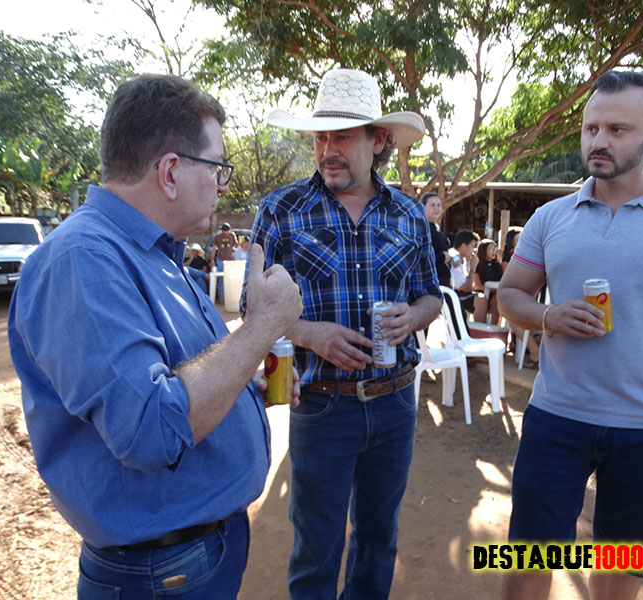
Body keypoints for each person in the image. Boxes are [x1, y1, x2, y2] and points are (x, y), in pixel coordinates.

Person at [8, 74, 303, 600]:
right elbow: (150, 428)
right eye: (217, 167)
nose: (223, 185)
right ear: (169, 172)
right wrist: (263, 325)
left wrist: (242, 384)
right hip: (161, 574)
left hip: (187, 559)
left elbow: (175, 378)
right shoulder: (83, 260)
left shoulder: (152, 253)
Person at [497, 70, 643, 600]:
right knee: (529, 560)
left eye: (618, 129)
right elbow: (509, 295)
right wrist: (548, 316)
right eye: (591, 128)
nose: (598, 141)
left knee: (619, 568)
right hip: (557, 419)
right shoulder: (551, 217)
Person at [248, 67, 442, 599]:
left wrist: (413, 317)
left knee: (379, 539)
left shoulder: (409, 214)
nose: (327, 150)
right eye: (320, 137)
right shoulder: (281, 211)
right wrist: (311, 334)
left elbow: (430, 294)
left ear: (377, 141)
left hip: (395, 402)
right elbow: (252, 308)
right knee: (317, 546)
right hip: (321, 405)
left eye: (342, 138)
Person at [449, 230, 480, 328]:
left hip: (460, 292)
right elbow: (467, 288)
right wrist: (473, 268)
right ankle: (480, 331)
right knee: (481, 301)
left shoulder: (462, 259)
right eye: (472, 246)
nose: (474, 250)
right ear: (463, 246)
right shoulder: (455, 258)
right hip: (454, 295)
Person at [423, 192, 452, 287]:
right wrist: (442, 257)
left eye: (439, 205)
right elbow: (422, 254)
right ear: (423, 207)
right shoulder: (421, 228)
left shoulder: (436, 228)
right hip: (429, 280)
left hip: (442, 279)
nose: (436, 208)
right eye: (432, 205)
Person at [473, 238, 503, 324]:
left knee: (497, 299)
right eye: (490, 249)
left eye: (495, 248)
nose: (494, 251)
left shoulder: (497, 266)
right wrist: (491, 289)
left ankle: (493, 326)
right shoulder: (478, 265)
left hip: (494, 294)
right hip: (481, 293)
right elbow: (477, 285)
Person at [209, 222, 238, 301]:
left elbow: (236, 246)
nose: (225, 233)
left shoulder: (232, 235)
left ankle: (230, 298)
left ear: (229, 231)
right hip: (220, 259)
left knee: (231, 279)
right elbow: (214, 248)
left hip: (230, 261)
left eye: (226, 232)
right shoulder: (218, 237)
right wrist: (212, 259)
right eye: (224, 232)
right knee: (221, 279)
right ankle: (222, 298)